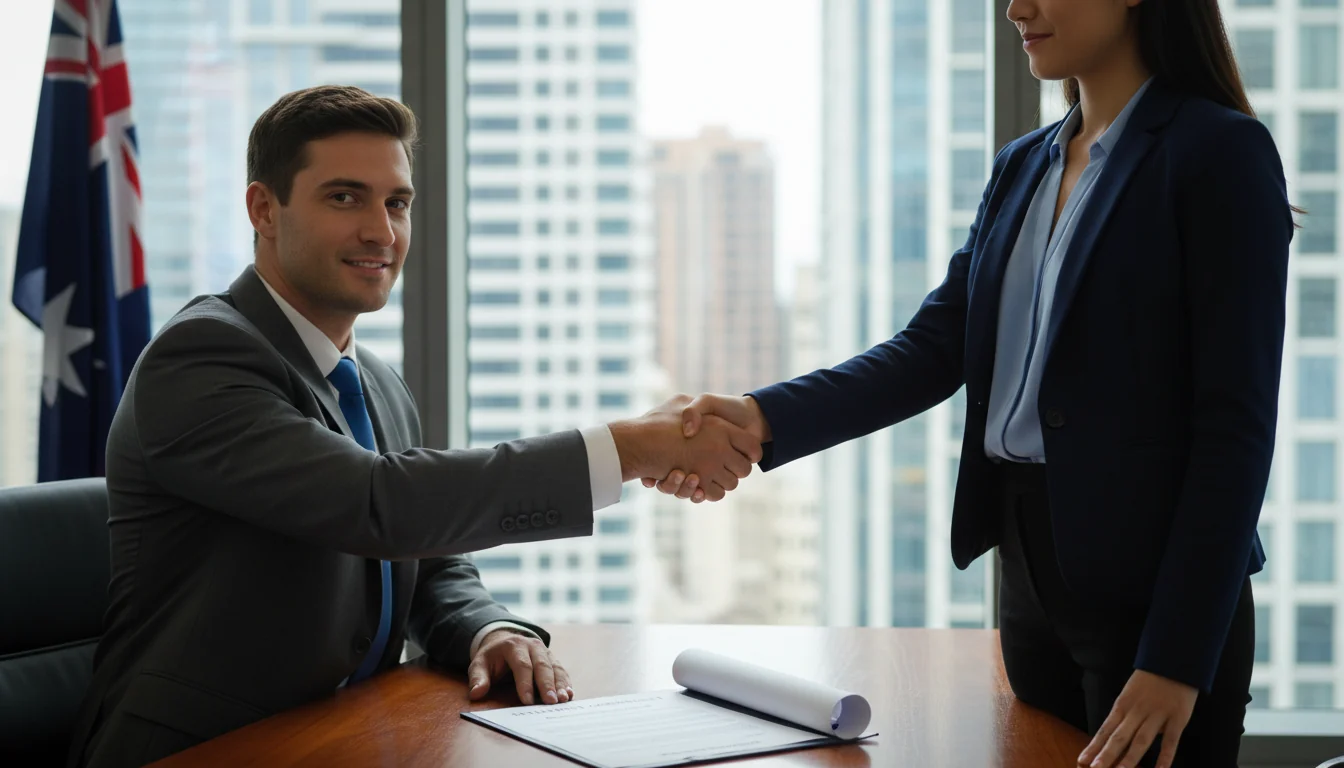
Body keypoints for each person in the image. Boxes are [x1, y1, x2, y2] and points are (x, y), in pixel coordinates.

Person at [650, 1, 1293, 766]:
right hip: (1029, 580)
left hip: (1157, 595)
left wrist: (1178, 659)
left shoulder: (1219, 153)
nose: (1016, 8)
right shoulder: (1025, 163)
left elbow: (1236, 431)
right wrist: (760, 416)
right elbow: (932, 349)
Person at [69, 85, 762, 768]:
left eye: (396, 202)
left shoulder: (374, 382)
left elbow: (427, 558)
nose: (382, 231)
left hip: (349, 734)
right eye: (346, 198)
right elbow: (380, 506)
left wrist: (485, 629)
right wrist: (631, 447)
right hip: (204, 749)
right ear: (264, 209)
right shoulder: (200, 358)